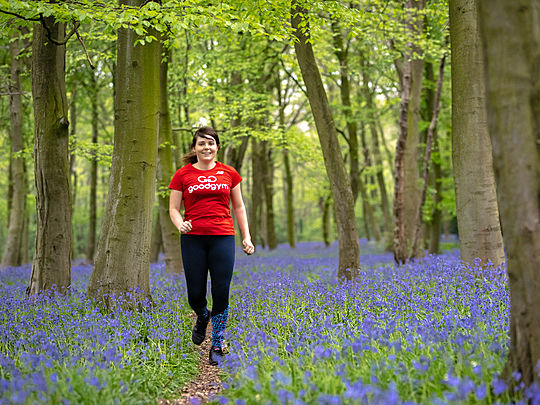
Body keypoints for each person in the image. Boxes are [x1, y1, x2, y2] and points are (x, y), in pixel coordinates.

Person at [169, 126, 254, 366]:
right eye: (201, 144)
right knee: (195, 294)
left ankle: (217, 341)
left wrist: (246, 237)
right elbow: (174, 209)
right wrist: (180, 224)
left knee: (221, 290)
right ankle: (202, 315)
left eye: (211, 143)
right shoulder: (182, 174)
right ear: (194, 148)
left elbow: (239, 206)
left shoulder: (229, 173)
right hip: (193, 238)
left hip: (223, 237)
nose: (206, 148)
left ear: (217, 147)